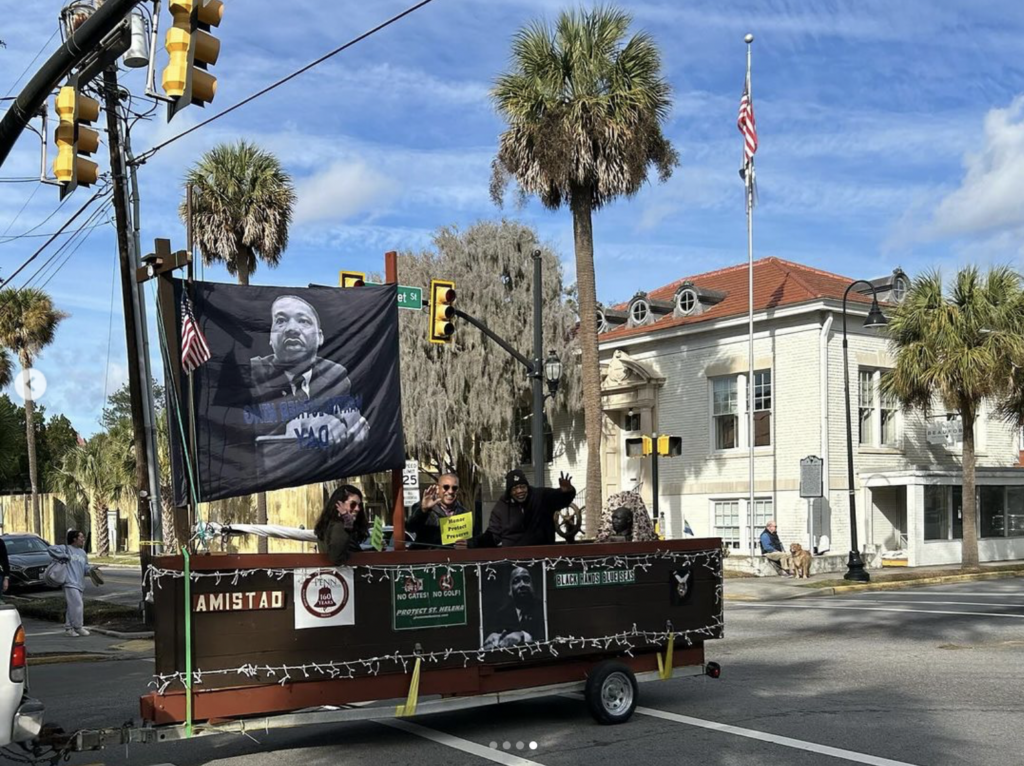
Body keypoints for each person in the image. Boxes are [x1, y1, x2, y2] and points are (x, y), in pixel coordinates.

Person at [250, 295, 352, 404]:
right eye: (281, 320)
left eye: (303, 321)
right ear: (270, 337)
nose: (292, 329)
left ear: (320, 337)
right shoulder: (249, 373)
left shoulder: (336, 377)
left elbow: (347, 416)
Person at [470, 469, 576, 548]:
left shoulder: (541, 496)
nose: (520, 491)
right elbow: (493, 536)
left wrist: (567, 491)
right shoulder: (501, 507)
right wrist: (472, 543)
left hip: (543, 558)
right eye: (515, 488)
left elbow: (562, 499)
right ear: (509, 492)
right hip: (512, 560)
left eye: (522, 487)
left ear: (527, 487)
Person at [47, 530, 99, 637]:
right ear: (74, 539)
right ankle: (78, 627)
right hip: (69, 582)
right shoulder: (66, 549)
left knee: (72, 606)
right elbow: (50, 549)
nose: (83, 539)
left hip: (79, 583)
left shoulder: (83, 553)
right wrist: (64, 555)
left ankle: (68, 628)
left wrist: (91, 570)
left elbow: (85, 568)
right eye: (81, 537)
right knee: (78, 604)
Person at [482, 565, 545, 649]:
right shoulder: (501, 614)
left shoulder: (543, 608)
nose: (522, 585)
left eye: (526, 580)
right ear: (510, 589)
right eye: (516, 581)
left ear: (532, 585)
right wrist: (494, 637)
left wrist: (522, 636)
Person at [407, 473, 467, 549]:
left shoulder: (463, 512)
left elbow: (471, 539)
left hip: (453, 559)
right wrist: (424, 510)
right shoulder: (424, 507)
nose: (450, 491)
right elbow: (410, 527)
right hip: (428, 558)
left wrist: (466, 545)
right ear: (438, 489)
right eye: (446, 487)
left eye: (454, 488)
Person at [314, 485, 369, 565]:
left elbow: (350, 551)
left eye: (359, 505)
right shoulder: (339, 525)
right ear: (339, 504)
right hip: (344, 574)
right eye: (353, 504)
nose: (357, 509)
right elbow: (336, 557)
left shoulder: (332, 524)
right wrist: (347, 522)